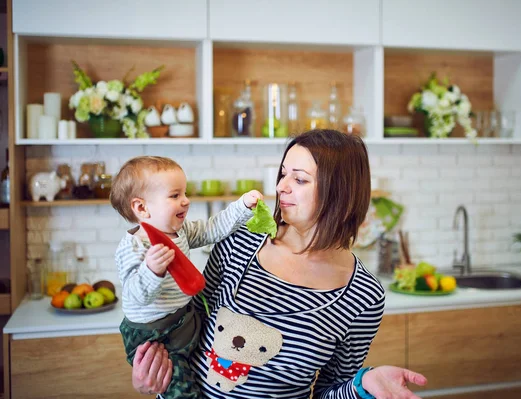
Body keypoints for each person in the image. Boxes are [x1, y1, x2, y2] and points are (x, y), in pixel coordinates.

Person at [130, 131, 428, 398]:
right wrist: (150, 375)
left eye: (299, 179)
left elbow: (329, 391)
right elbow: (186, 323)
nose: (281, 186)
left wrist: (363, 386)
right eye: (283, 174)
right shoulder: (239, 242)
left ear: (341, 192)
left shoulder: (363, 295)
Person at [110, 155, 262, 399]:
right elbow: (134, 296)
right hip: (155, 336)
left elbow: (213, 228)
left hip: (184, 317)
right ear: (141, 208)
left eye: (185, 193)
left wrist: (242, 207)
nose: (186, 201)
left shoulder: (180, 231)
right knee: (180, 389)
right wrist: (151, 271)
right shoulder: (134, 247)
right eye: (175, 195)